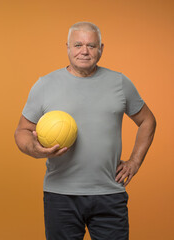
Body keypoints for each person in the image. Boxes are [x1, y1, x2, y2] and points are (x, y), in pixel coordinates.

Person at [14, 22, 156, 240]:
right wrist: (36, 149)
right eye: (78, 44)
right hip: (61, 196)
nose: (84, 51)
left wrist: (134, 162)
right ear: (68, 48)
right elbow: (22, 131)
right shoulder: (45, 84)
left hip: (109, 194)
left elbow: (147, 120)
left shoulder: (119, 82)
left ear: (101, 49)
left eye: (91, 45)